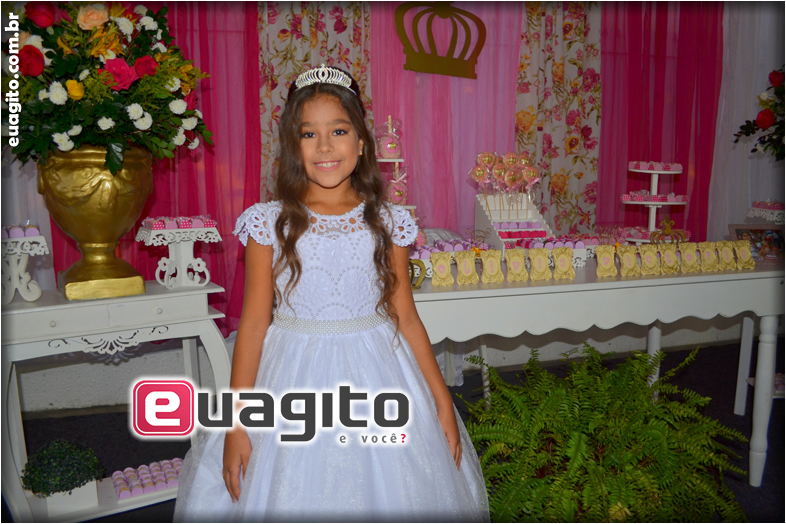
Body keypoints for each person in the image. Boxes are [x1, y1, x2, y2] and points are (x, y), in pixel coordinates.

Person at [173, 64, 489, 522]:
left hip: (380, 373)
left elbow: (405, 315)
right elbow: (254, 325)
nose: (324, 146)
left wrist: (442, 400)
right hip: (292, 376)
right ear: (293, 146)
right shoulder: (270, 222)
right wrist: (237, 424)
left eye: (338, 131)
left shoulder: (388, 221)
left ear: (361, 143)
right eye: (309, 134)